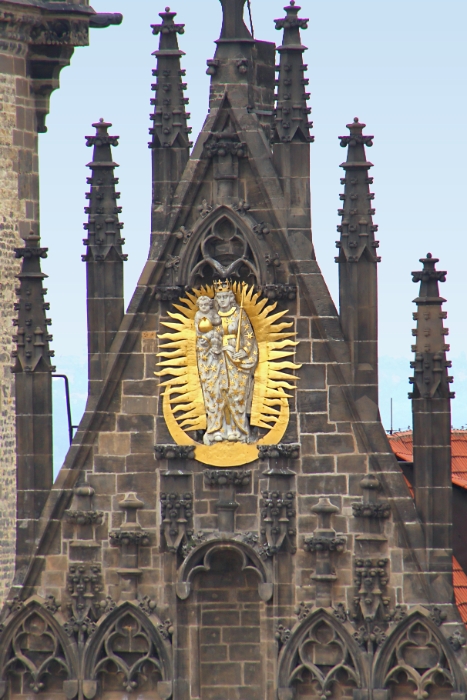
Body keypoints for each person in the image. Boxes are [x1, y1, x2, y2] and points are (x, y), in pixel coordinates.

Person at [198, 281, 259, 445]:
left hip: (236, 360)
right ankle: (217, 429)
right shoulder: (212, 315)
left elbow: (249, 337)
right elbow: (204, 335)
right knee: (217, 393)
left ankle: (237, 430)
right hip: (216, 359)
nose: (223, 300)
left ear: (231, 298)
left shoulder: (239, 314)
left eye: (226, 296)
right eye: (220, 297)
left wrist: (244, 351)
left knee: (236, 393)